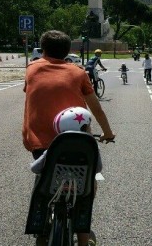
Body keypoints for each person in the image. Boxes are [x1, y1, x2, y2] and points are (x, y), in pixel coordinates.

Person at [23, 30, 115, 246]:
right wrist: (108, 133)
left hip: (40, 142)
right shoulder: (78, 73)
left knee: (44, 181)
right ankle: (84, 238)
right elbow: (97, 109)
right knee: (86, 186)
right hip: (77, 142)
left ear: (43, 50)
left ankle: (42, 232)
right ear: (68, 52)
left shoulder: (32, 70)